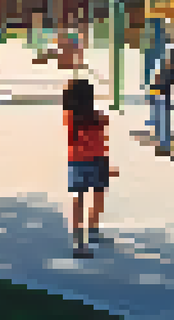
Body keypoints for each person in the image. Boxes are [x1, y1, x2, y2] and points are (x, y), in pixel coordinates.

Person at [63, 77, 118, 258]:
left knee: (78, 200)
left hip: (77, 161)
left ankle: (79, 241)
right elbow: (102, 135)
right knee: (98, 197)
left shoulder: (70, 116)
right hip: (97, 160)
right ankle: (93, 231)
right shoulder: (96, 118)